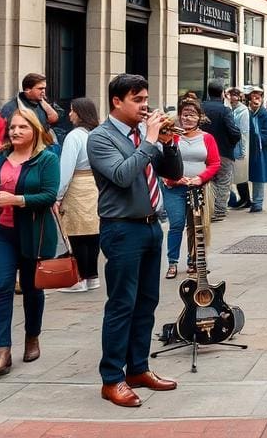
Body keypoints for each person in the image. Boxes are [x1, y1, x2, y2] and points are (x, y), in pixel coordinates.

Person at [88, 73, 183, 407]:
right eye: (138, 100)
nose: (145, 106)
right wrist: (149, 140)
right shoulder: (100, 138)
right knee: (121, 304)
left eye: (146, 99)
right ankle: (112, 378)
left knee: (147, 302)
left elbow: (170, 174)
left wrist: (168, 143)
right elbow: (122, 175)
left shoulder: (142, 135)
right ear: (117, 101)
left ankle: (138, 368)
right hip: (121, 228)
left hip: (150, 226)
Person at [0, 109, 59, 376]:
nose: (16, 131)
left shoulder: (46, 159)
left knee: (33, 289)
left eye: (22, 127)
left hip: (34, 233)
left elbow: (49, 195)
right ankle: (2, 348)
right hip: (3, 232)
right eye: (13, 127)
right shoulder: (1, 158)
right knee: (1, 285)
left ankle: (32, 336)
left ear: (34, 130)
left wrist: (17, 200)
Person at [162, 99, 220, 280]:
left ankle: (194, 261)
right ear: (179, 116)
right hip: (174, 187)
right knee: (177, 224)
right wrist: (173, 178)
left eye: (192, 114)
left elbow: (214, 163)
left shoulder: (207, 138)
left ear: (199, 117)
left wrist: (200, 178)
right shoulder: (171, 136)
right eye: (185, 114)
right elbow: (161, 160)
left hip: (198, 188)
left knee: (197, 226)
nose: (188, 118)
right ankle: (172, 262)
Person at [57, 97, 101, 292]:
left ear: (79, 113)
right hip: (94, 185)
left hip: (76, 186)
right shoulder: (97, 134)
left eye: (72, 110)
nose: (69, 114)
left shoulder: (74, 136)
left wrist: (58, 195)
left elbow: (66, 169)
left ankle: (79, 278)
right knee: (92, 233)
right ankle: (92, 276)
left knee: (76, 233)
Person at [201, 80, 241, 221]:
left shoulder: (201, 108)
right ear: (222, 93)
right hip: (223, 151)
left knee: (206, 180)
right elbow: (234, 132)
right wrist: (231, 144)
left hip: (203, 151)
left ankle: (206, 209)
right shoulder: (224, 110)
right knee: (223, 181)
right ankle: (218, 211)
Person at [247, 87, 267, 213]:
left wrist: (257, 137)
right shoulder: (247, 113)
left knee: (258, 174)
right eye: (253, 97)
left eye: (258, 97)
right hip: (248, 147)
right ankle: (245, 199)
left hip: (259, 150)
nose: (255, 100)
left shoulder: (266, 115)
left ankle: (257, 202)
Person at [226, 87, 251, 210]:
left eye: (232, 96)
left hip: (240, 145)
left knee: (241, 174)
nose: (231, 99)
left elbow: (244, 131)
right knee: (237, 174)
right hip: (233, 144)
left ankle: (245, 199)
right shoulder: (232, 109)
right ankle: (243, 198)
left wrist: (242, 150)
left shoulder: (243, 111)